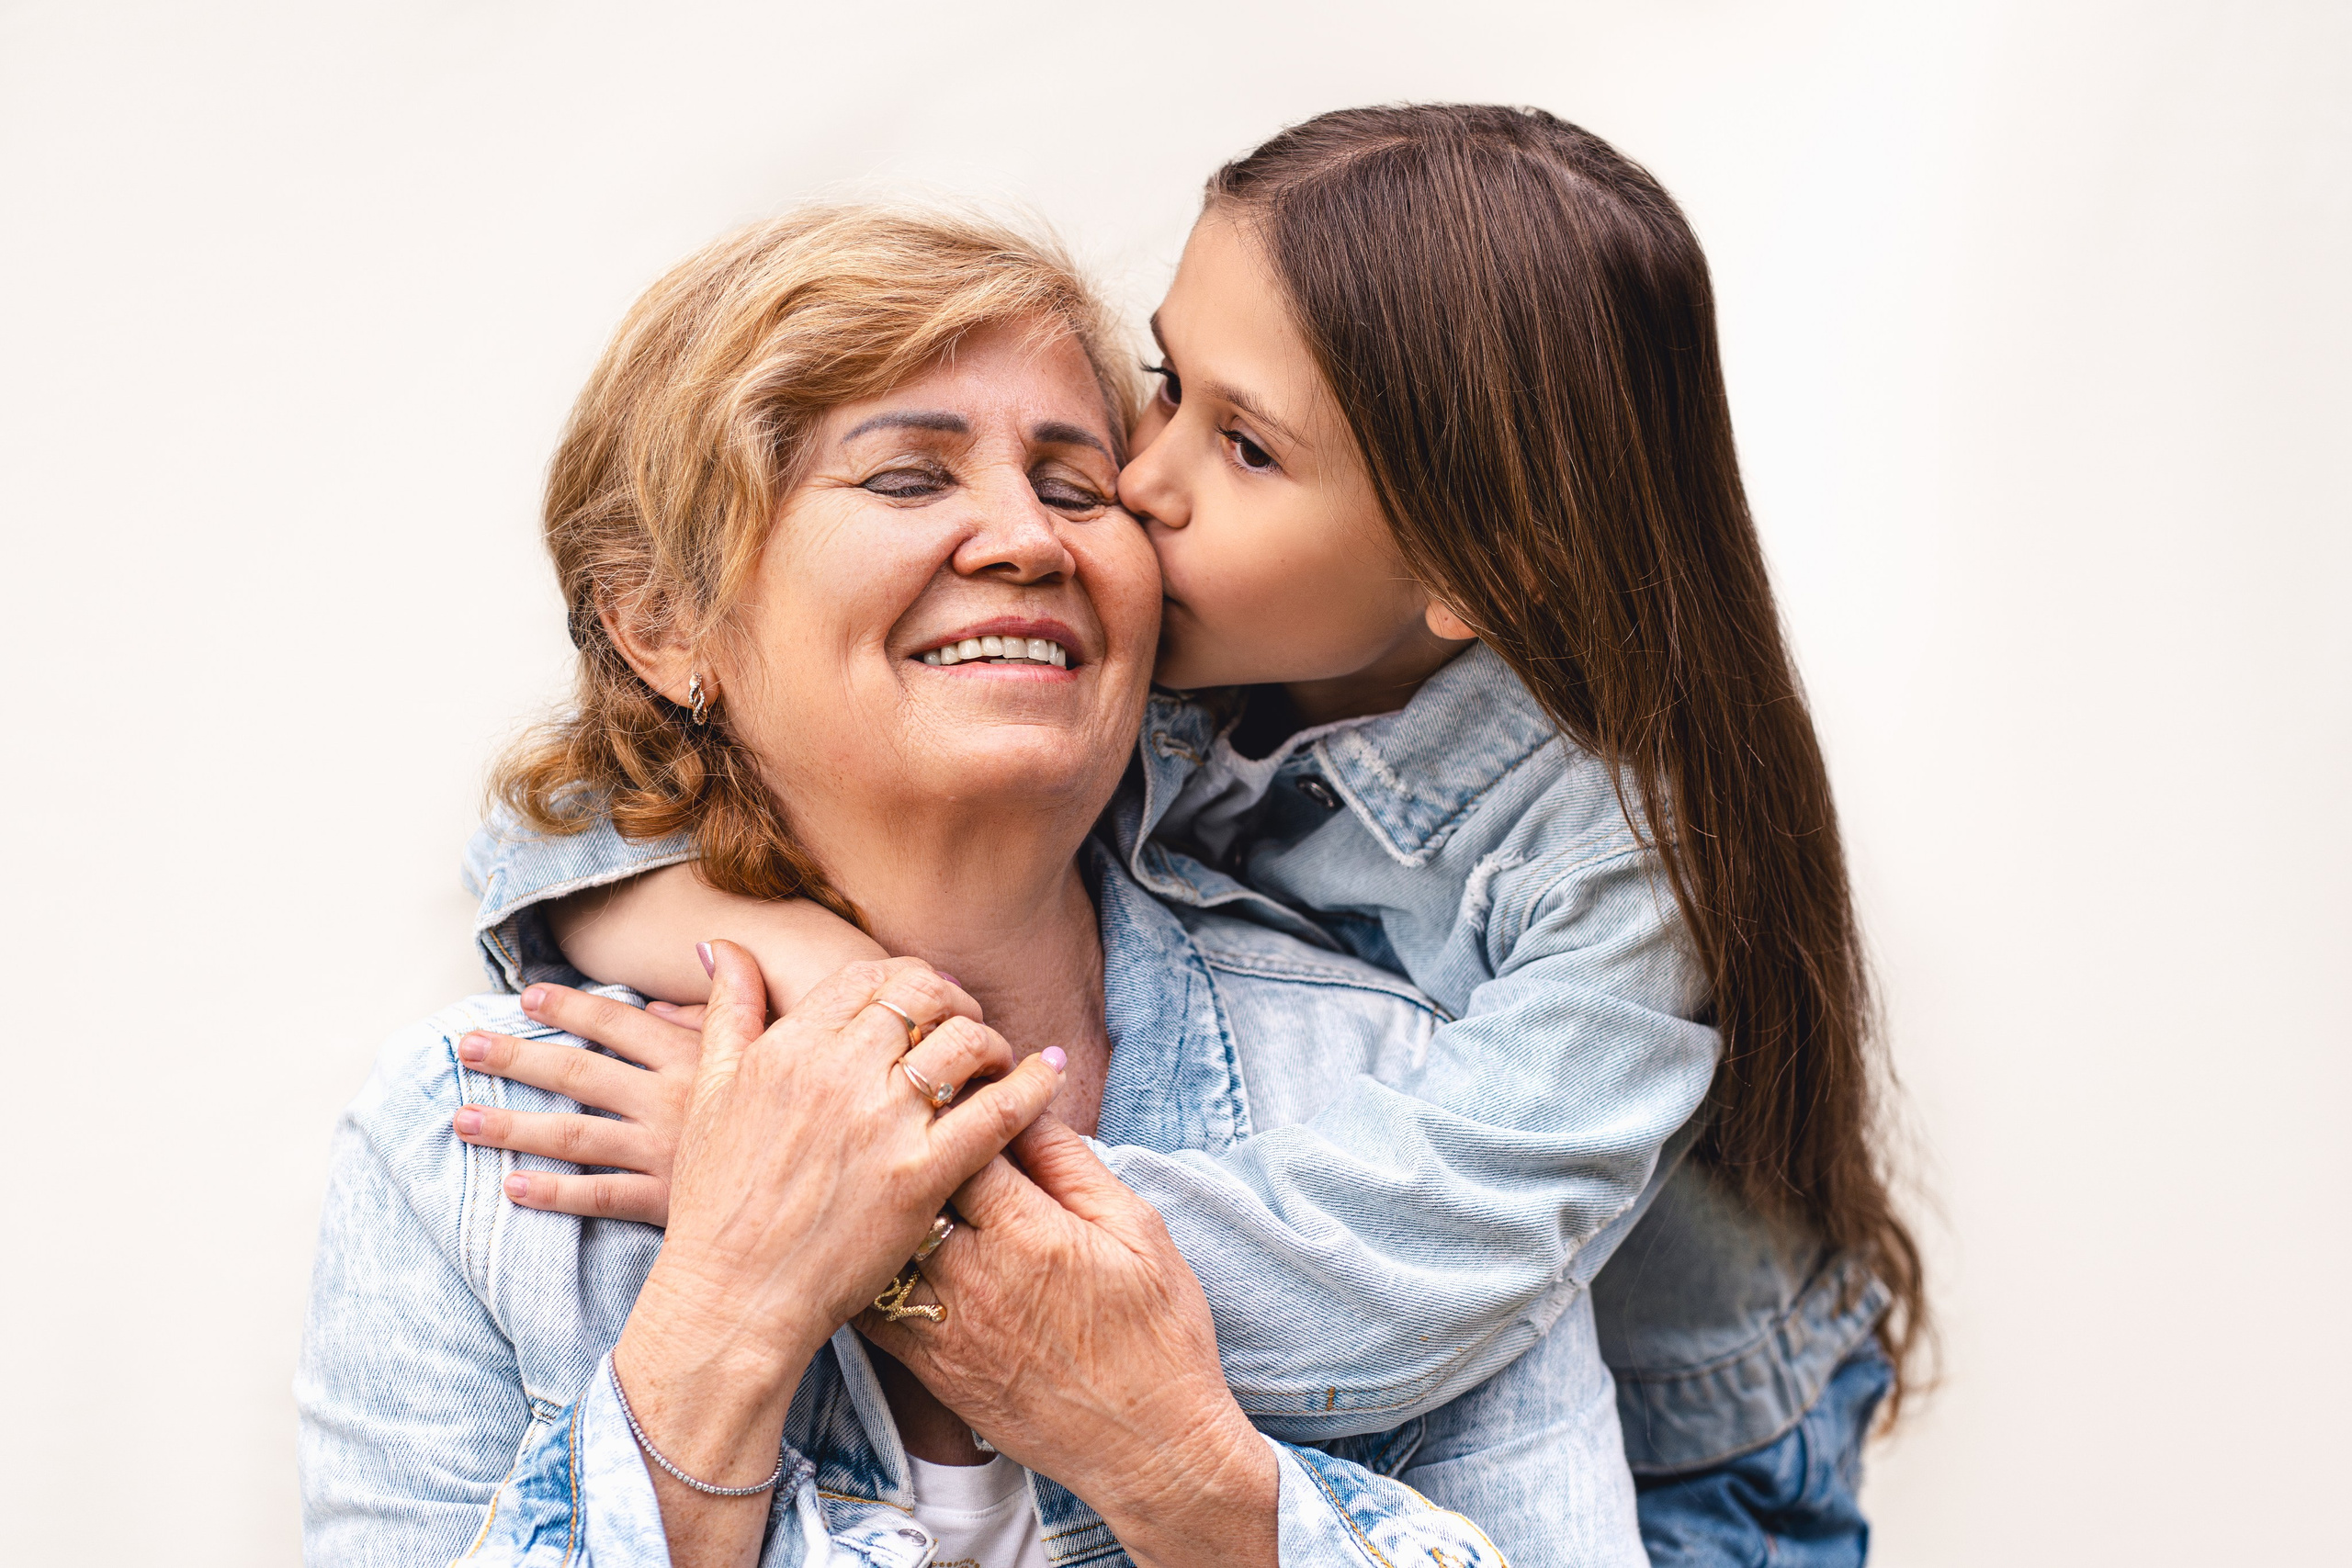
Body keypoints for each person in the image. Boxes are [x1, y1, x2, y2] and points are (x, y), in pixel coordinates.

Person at [457, 106, 1925, 1565]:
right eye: (1169, 386)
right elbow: (577, 815)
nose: (1135, 484)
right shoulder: (1166, 645)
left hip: (1706, 1457)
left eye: (1246, 448)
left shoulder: (1614, 870)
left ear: (1484, 561)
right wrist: (822, 982)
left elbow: (1394, 1279)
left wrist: (867, 1189)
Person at [298, 205, 1645, 1568]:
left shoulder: (1386, 1076)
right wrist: (732, 1308)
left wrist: (1168, 1462)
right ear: (664, 624)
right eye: (905, 480)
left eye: (1076, 487)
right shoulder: (468, 1142)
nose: (1029, 539)